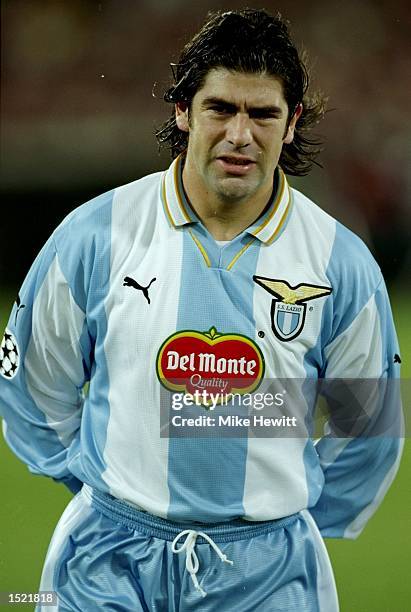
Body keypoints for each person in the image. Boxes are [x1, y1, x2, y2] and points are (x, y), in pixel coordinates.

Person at [0, 8, 403, 611]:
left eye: (262, 113)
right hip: (104, 563)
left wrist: (274, 517)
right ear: (183, 111)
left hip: (270, 577)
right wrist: (107, 486)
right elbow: (31, 385)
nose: (240, 134)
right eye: (221, 109)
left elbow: (366, 432)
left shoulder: (339, 266)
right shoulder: (95, 235)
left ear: (291, 123)